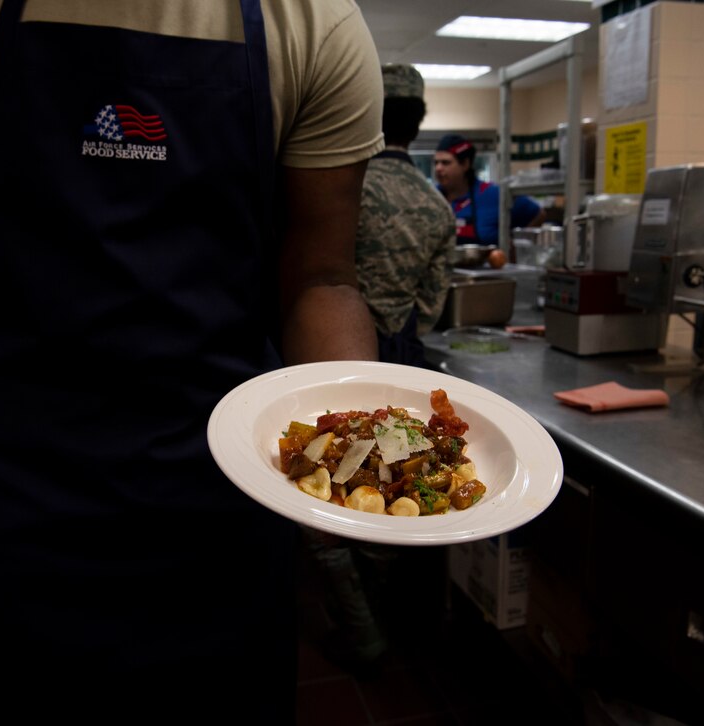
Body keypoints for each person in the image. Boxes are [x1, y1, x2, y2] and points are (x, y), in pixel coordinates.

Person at [0, 0, 383, 722]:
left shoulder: (317, 22)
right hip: (3, 496)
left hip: (216, 508)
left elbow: (322, 276)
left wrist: (353, 452)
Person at [300, 64, 452, 676]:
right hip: (404, 362)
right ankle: (388, 613)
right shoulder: (437, 207)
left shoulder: (337, 192)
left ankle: (359, 627)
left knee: (323, 488)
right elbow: (433, 310)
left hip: (331, 354)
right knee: (397, 491)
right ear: (417, 124)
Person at [354, 64, 455, 368]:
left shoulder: (344, 192)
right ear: (417, 124)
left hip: (337, 343)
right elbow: (432, 301)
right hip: (403, 349)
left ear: (370, 114)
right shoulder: (438, 206)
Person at [434, 133, 546, 246]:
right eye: (436, 163)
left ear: (465, 164)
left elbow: (538, 214)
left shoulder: (493, 194)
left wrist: (517, 247)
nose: (438, 168)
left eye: (445, 163)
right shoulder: (431, 197)